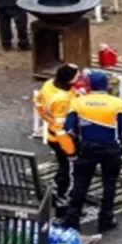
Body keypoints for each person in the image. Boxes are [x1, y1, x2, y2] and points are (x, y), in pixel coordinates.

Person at [62, 70, 122, 233]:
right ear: (107, 85)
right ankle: (106, 218)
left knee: (81, 182)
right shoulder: (117, 103)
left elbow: (68, 128)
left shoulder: (78, 102)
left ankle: (73, 218)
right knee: (110, 183)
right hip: (110, 148)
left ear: (89, 85)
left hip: (87, 147)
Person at [33, 64, 78, 215]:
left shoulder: (49, 85)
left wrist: (48, 119)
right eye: (76, 76)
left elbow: (39, 104)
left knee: (63, 166)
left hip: (51, 134)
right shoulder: (62, 100)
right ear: (70, 80)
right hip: (62, 140)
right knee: (69, 170)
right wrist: (71, 151)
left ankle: (55, 190)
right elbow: (61, 130)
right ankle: (62, 200)